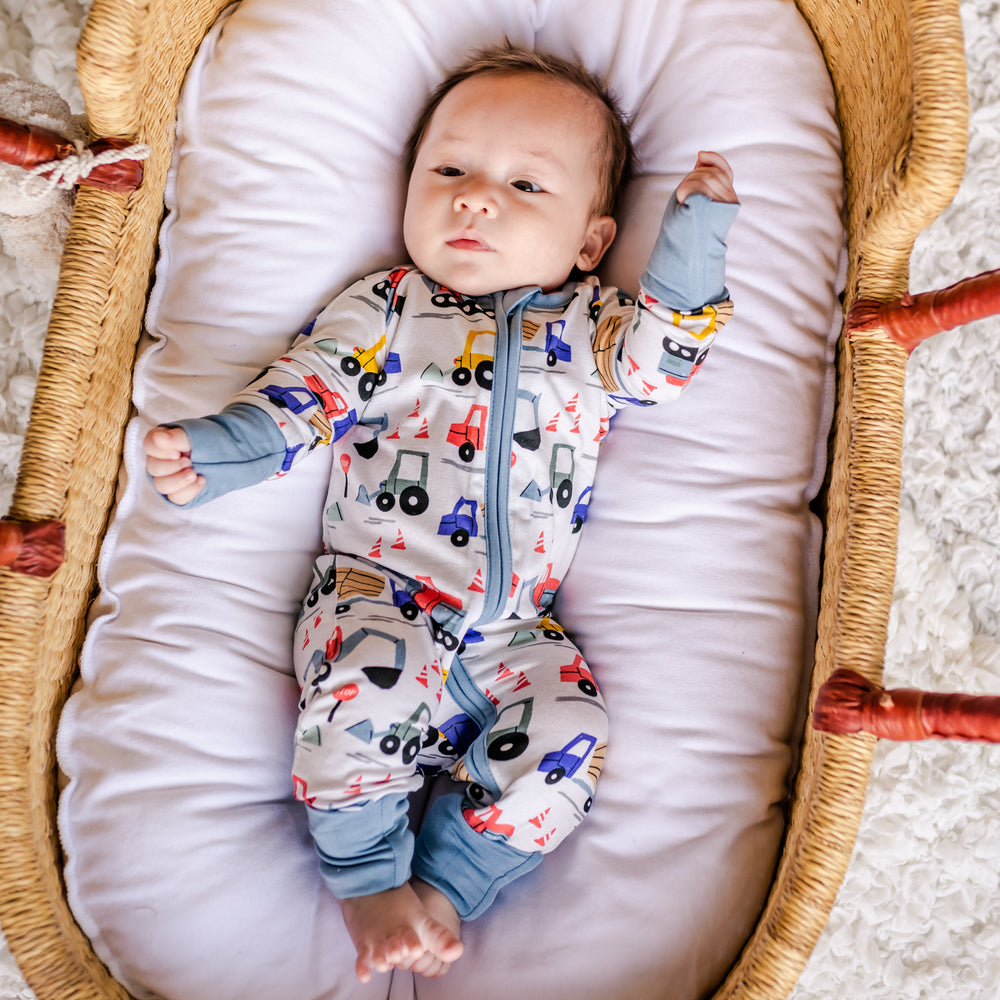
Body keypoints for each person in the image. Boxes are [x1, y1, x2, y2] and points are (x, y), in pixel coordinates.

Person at [144, 43, 739, 984]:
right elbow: (307, 390)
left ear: (589, 243)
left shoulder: (591, 330)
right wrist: (223, 452)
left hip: (514, 635)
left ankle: (451, 885)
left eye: (525, 185)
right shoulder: (388, 308)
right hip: (379, 596)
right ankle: (369, 878)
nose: (475, 198)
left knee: (570, 731)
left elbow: (662, 361)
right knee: (368, 688)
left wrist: (694, 240)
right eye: (450, 170)